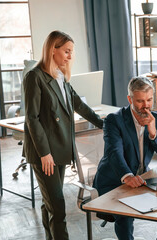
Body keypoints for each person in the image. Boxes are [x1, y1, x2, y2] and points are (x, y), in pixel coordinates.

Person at [23, 30, 103, 240]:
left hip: (59, 148)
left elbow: (79, 105)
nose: (69, 56)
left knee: (49, 201)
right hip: (45, 153)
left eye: (71, 52)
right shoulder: (34, 76)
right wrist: (44, 153)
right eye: (66, 51)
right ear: (53, 49)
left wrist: (103, 124)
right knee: (57, 207)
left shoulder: (60, 76)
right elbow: (32, 118)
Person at [93, 77, 157, 240]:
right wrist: (128, 176)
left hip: (142, 179)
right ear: (130, 99)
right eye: (140, 101)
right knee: (125, 212)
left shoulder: (156, 120)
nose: (146, 106)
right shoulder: (114, 120)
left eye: (149, 100)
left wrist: (153, 133)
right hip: (113, 180)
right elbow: (114, 152)